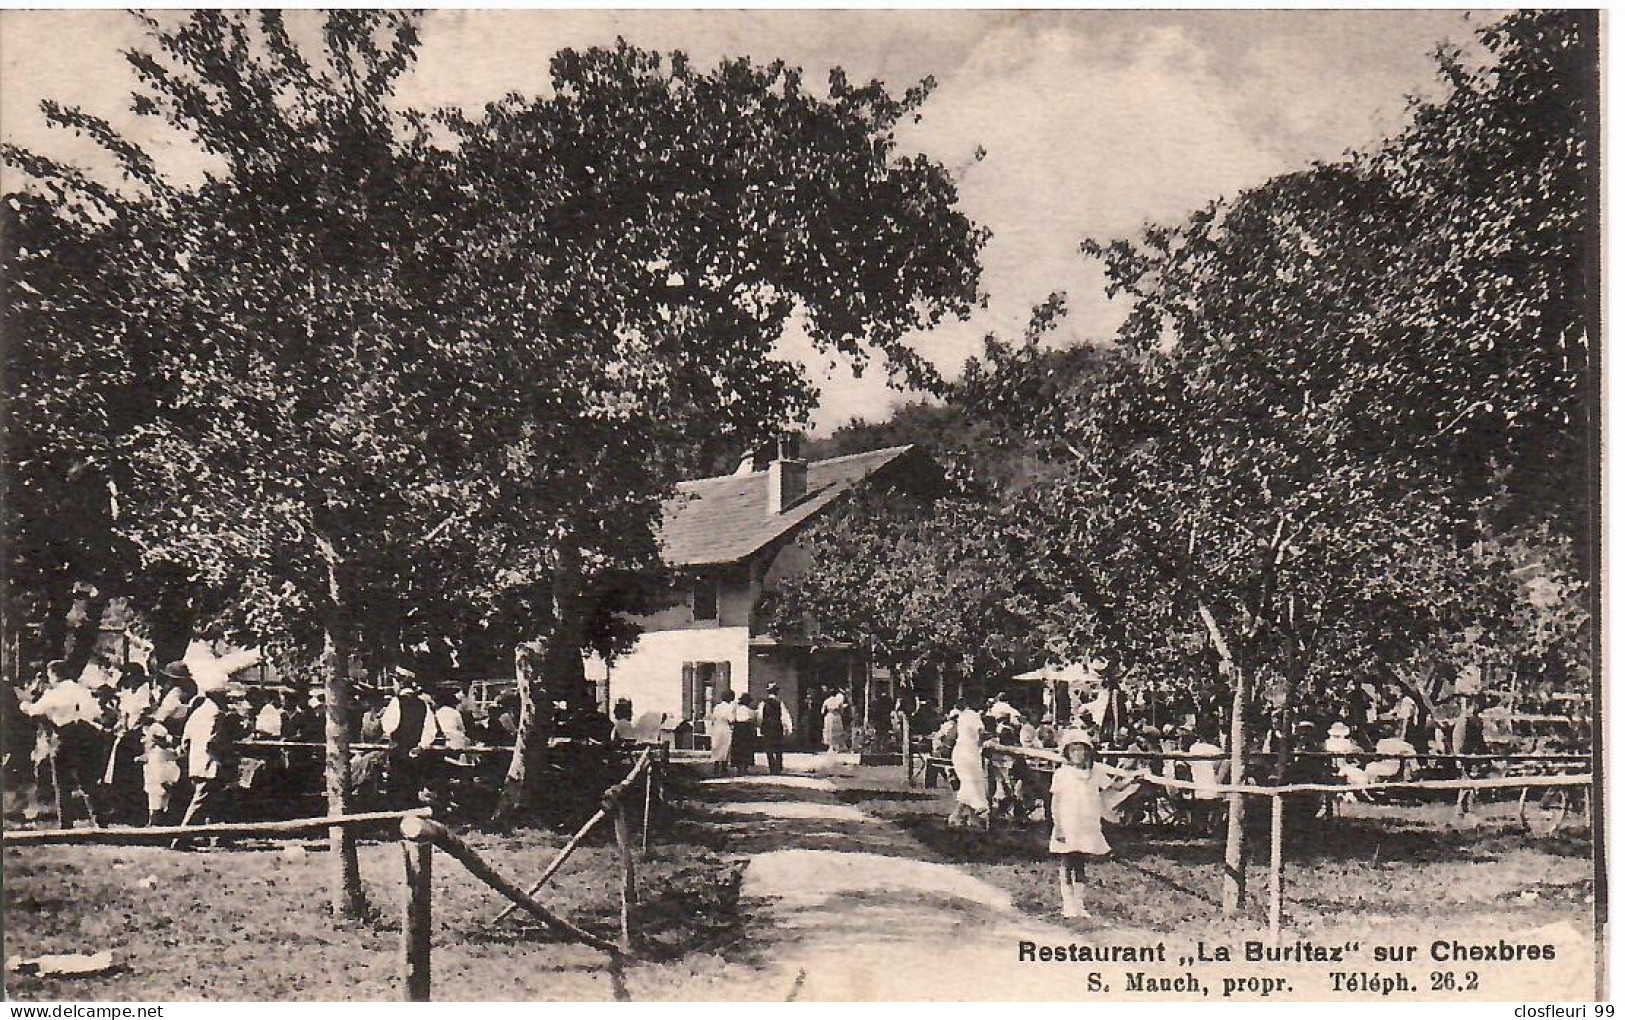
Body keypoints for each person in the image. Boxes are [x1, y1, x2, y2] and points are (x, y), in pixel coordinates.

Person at [1049, 730, 1138, 918]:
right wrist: (1058, 826)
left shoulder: (1095, 772)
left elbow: (1115, 786)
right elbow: (1055, 802)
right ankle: (1068, 905)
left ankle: (1080, 905)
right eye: (1073, 750)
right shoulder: (1062, 774)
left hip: (1086, 824)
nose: (1078, 754)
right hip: (1068, 823)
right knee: (1067, 862)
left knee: (1080, 864)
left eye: (1081, 750)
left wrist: (1133, 780)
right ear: (1067, 753)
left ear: (1088, 752)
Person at [22, 660, 109, 827]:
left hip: (64, 735)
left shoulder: (53, 693)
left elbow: (35, 710)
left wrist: (24, 704)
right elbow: (96, 713)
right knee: (88, 780)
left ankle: (66, 823)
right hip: (85, 736)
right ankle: (100, 820)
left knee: (62, 782)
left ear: (54, 674)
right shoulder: (81, 690)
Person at [172, 677, 242, 847]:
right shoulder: (217, 714)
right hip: (211, 764)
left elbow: (185, 740)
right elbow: (214, 742)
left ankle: (220, 838)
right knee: (201, 803)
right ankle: (180, 838)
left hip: (197, 763)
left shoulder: (198, 712)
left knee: (216, 801)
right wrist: (229, 755)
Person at [382, 683, 439, 804]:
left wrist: (391, 736)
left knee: (397, 784)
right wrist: (421, 746)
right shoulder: (424, 705)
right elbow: (430, 729)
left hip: (399, 748)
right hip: (415, 750)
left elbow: (388, 725)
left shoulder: (396, 702)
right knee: (413, 783)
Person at [948, 700, 989, 828]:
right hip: (969, 752)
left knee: (970, 783)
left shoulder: (962, 716)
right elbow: (982, 733)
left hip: (959, 751)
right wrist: (983, 741)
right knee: (972, 783)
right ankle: (958, 815)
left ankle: (970, 817)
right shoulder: (973, 715)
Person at [1452, 693, 1492, 819]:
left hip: (1473, 755)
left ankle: (1464, 808)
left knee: (1469, 781)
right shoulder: (1465, 719)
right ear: (1475, 704)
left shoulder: (1476, 720)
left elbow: (1479, 740)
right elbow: (1459, 738)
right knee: (1466, 781)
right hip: (1464, 754)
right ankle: (1460, 809)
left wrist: (1486, 754)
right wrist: (1459, 755)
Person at [758, 684, 791, 774]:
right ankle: (779, 766)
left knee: (768, 747)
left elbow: (760, 717)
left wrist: (760, 726)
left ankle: (772, 767)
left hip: (767, 726)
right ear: (777, 692)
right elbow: (785, 716)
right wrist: (788, 728)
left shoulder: (763, 703)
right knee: (778, 747)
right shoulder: (780, 703)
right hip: (777, 726)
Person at [708, 690, 736, 776]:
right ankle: (724, 767)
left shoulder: (717, 707)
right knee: (725, 747)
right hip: (725, 728)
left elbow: (713, 718)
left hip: (716, 728)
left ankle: (716, 766)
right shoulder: (730, 707)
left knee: (716, 746)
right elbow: (731, 719)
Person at [730, 692, 759, 773]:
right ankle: (745, 767)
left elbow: (733, 718)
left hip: (738, 729)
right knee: (747, 748)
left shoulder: (737, 710)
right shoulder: (749, 711)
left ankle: (739, 767)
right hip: (746, 729)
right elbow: (753, 719)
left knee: (738, 748)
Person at [821, 689, 847, 753]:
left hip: (829, 716)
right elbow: (841, 711)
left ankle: (831, 747)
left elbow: (822, 711)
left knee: (829, 731)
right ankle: (837, 747)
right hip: (836, 716)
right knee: (837, 731)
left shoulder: (826, 700)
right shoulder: (838, 701)